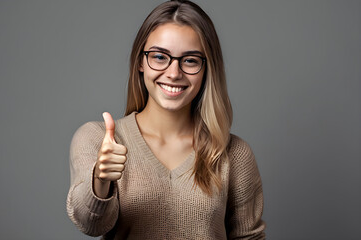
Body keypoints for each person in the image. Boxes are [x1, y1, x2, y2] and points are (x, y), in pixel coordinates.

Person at [66, 0, 266, 239]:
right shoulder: (97, 139)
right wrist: (100, 179)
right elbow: (90, 225)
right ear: (140, 62)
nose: (173, 73)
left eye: (190, 60)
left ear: (207, 68)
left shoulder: (234, 154)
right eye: (160, 57)